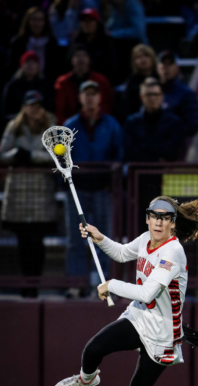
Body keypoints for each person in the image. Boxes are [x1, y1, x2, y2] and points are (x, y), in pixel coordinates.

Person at [52, 195, 198, 386]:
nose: (158, 221)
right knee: (94, 348)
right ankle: (87, 379)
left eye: (165, 217)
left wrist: (111, 284)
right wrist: (100, 238)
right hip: (138, 317)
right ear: (147, 218)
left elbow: (148, 292)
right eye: (154, 215)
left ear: (173, 224)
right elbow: (123, 253)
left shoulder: (173, 251)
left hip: (162, 333)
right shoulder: (146, 238)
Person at [64, 80, 123, 292]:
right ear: (80, 98)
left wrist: (112, 177)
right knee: (75, 240)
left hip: (102, 189)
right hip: (77, 191)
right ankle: (76, 285)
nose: (90, 98)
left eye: (94, 94)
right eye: (86, 94)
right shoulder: (70, 125)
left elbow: (119, 154)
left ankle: (105, 286)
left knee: (104, 239)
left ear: (100, 98)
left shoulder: (111, 124)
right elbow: (61, 157)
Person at [0, 91, 57, 297]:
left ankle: (35, 283)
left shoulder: (51, 127)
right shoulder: (14, 126)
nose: (35, 109)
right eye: (31, 105)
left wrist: (32, 156)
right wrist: (16, 154)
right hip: (19, 193)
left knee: (37, 240)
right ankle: (26, 284)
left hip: (41, 193)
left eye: (38, 106)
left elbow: (57, 154)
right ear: (25, 107)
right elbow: (2, 153)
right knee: (23, 241)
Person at [123, 78, 185, 162]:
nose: (152, 98)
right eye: (148, 94)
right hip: (138, 171)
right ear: (141, 97)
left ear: (162, 96)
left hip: (166, 171)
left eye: (156, 94)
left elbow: (171, 152)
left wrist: (145, 150)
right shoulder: (131, 122)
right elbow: (130, 152)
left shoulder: (174, 123)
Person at [54, 45, 114, 124]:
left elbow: (106, 107)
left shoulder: (101, 81)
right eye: (77, 55)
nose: (81, 59)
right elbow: (60, 111)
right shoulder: (62, 82)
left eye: (84, 55)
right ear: (71, 60)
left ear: (89, 59)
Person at [6, 7, 61, 81]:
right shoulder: (18, 43)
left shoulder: (52, 44)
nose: (37, 24)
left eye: (40, 20)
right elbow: (11, 68)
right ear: (27, 21)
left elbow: (56, 68)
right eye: (34, 20)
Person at [69, 8, 118, 84]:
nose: (86, 23)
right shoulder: (76, 41)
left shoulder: (106, 41)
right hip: (78, 83)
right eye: (84, 21)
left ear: (97, 23)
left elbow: (112, 67)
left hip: (102, 83)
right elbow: (68, 63)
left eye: (90, 20)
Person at [157, 50, 198, 137]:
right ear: (157, 68)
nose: (166, 67)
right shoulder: (149, 91)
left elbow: (192, 125)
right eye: (163, 63)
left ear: (177, 67)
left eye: (170, 64)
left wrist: (170, 133)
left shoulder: (186, 94)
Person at [2, 51, 54, 122]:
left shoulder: (45, 84)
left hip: (41, 123)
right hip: (18, 123)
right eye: (28, 62)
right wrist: (23, 118)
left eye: (34, 62)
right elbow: (6, 111)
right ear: (22, 65)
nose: (31, 65)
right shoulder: (12, 86)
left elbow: (49, 108)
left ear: (38, 65)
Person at [122, 44, 158, 118]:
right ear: (134, 61)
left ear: (153, 58)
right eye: (138, 57)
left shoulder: (161, 77)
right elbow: (128, 106)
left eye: (146, 55)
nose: (143, 59)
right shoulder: (131, 80)